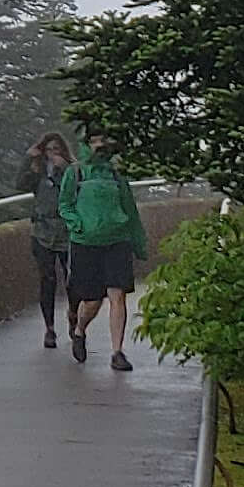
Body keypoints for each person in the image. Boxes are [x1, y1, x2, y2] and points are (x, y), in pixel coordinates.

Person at [60, 131, 146, 371]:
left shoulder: (117, 176)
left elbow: (130, 211)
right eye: (95, 140)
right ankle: (80, 330)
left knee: (117, 295)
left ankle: (117, 352)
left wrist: (139, 244)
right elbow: (64, 204)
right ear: (87, 145)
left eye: (104, 140)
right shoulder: (75, 173)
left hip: (117, 241)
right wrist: (77, 224)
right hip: (86, 243)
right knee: (93, 300)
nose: (101, 145)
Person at [21, 131, 76, 342]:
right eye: (49, 150)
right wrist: (29, 158)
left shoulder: (70, 172)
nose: (53, 155)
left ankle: (73, 317)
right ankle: (49, 328)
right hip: (42, 232)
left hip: (66, 232)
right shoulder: (38, 173)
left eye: (56, 150)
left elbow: (76, 192)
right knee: (47, 279)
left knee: (72, 278)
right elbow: (20, 184)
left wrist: (65, 169)